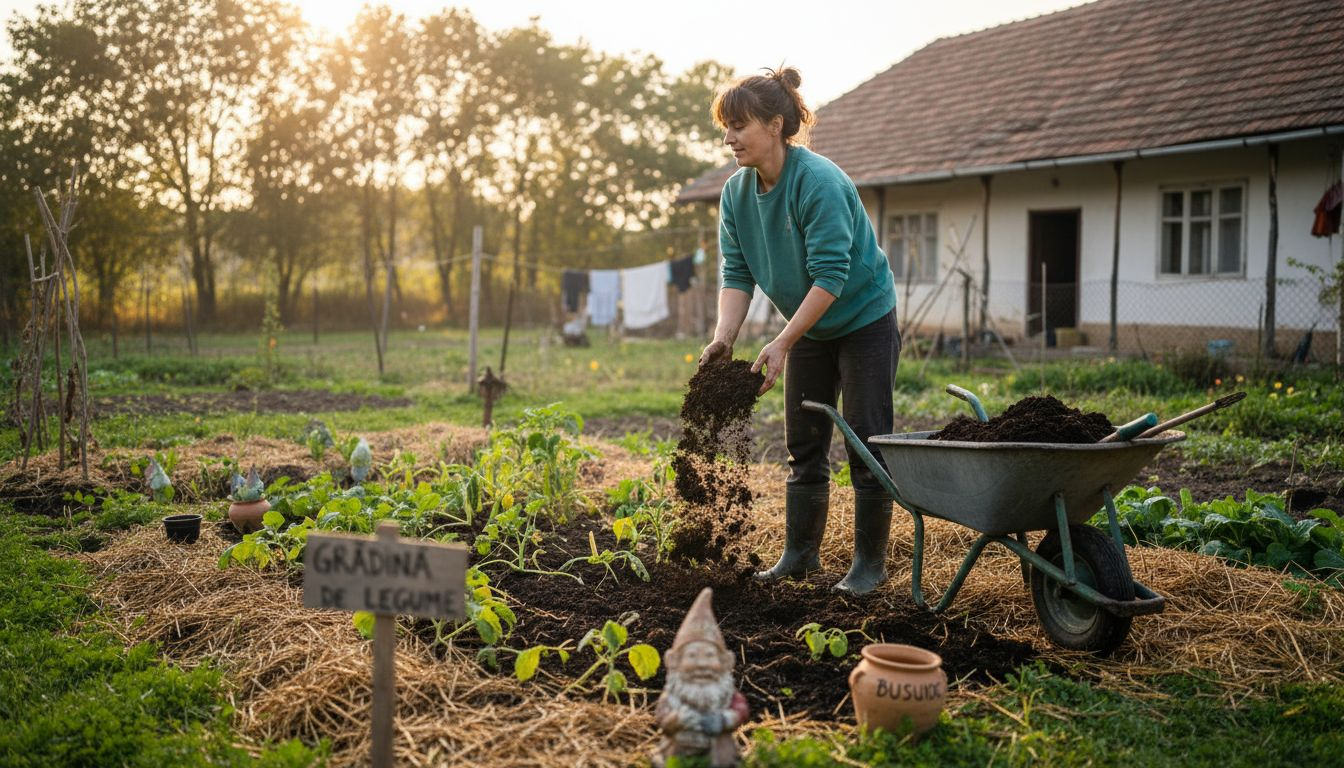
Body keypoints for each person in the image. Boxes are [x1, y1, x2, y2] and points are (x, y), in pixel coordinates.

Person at [698, 67, 900, 596]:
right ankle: (801, 555)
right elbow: (736, 272)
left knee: (865, 437)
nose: (729, 138)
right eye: (726, 127)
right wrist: (725, 338)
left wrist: (783, 339)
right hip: (807, 327)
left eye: (739, 125)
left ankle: (869, 565)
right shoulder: (735, 194)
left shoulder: (820, 183)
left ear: (775, 124)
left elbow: (831, 276)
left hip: (862, 320)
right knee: (804, 441)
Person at [653, 588, 749, 768]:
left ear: (726, 662)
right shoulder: (672, 698)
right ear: (674, 661)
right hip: (677, 754)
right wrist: (678, 719)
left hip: (719, 755)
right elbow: (662, 717)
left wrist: (723, 719)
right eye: (692, 656)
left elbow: (740, 710)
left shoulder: (727, 697)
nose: (702, 664)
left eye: (709, 656)